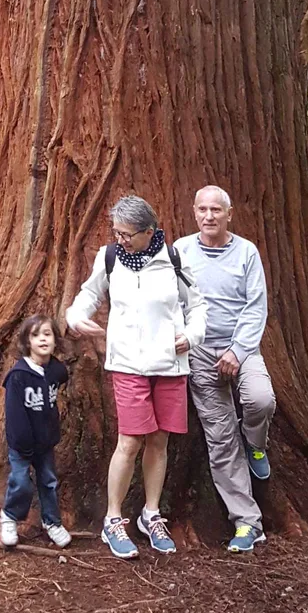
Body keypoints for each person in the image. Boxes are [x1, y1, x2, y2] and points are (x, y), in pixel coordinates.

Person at [66, 195, 207, 559]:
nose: (121, 240)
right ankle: (113, 520)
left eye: (128, 234)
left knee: (159, 441)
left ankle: (151, 514)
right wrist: (75, 315)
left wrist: (191, 337)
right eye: (117, 233)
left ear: (150, 232)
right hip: (128, 363)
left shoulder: (174, 259)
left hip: (170, 365)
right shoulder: (110, 257)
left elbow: (198, 307)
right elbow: (89, 293)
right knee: (129, 442)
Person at [175, 185, 277, 554]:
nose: (209, 216)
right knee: (220, 438)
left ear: (229, 214)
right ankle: (247, 523)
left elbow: (256, 307)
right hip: (199, 351)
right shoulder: (182, 251)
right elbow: (172, 300)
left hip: (243, 347)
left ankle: (256, 443)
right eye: (202, 209)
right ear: (194, 212)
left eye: (216, 209)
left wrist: (237, 349)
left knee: (260, 400)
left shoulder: (246, 252)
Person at [0, 314, 72, 550]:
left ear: (55, 341)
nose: (43, 339)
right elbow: (15, 415)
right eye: (36, 335)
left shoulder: (54, 370)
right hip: (21, 445)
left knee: (49, 482)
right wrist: (22, 444)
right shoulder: (18, 376)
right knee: (21, 482)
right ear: (27, 342)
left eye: (47, 334)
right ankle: (10, 517)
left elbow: (63, 375)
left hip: (46, 443)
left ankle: (52, 522)